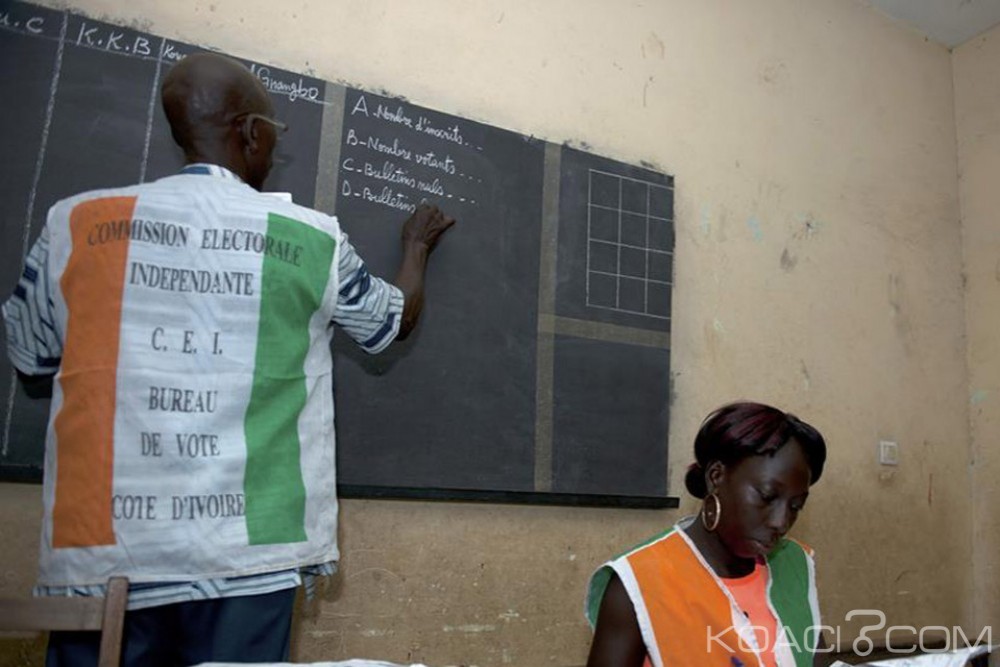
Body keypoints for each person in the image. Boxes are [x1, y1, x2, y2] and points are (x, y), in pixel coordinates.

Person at [2, 52, 454, 666]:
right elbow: (391, 319)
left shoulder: (76, 224)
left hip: (104, 555)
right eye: (274, 131)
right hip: (249, 556)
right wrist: (415, 249)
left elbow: (30, 359)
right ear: (251, 132)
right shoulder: (311, 236)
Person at [585, 402, 828, 667]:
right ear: (716, 476)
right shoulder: (639, 581)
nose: (781, 522)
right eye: (767, 497)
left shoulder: (794, 564)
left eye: (796, 506)